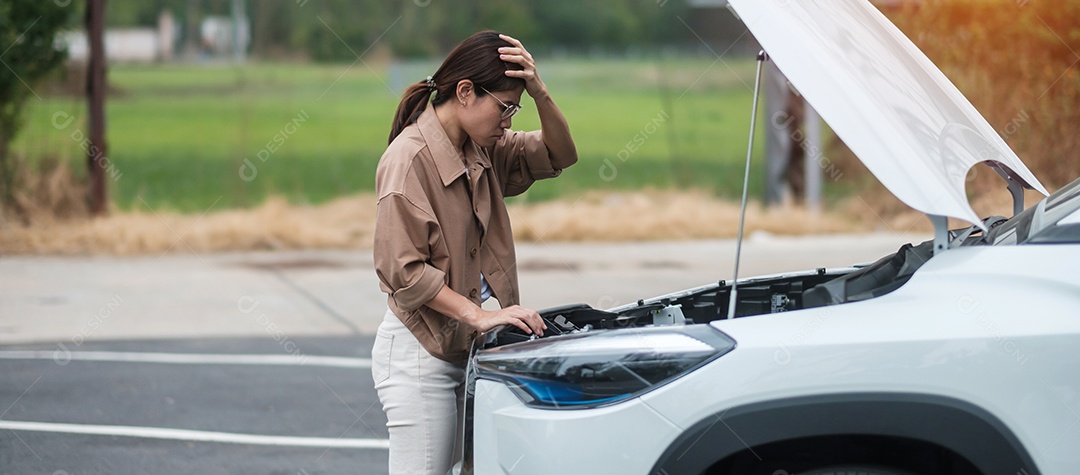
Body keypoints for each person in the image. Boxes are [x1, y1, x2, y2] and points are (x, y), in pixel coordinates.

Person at [371, 30, 577, 475]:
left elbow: (560, 154)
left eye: (515, 109)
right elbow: (403, 273)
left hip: (464, 346)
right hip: (420, 353)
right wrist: (479, 315)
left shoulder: (482, 149)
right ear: (465, 92)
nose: (509, 120)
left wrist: (538, 90)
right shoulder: (407, 160)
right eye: (505, 106)